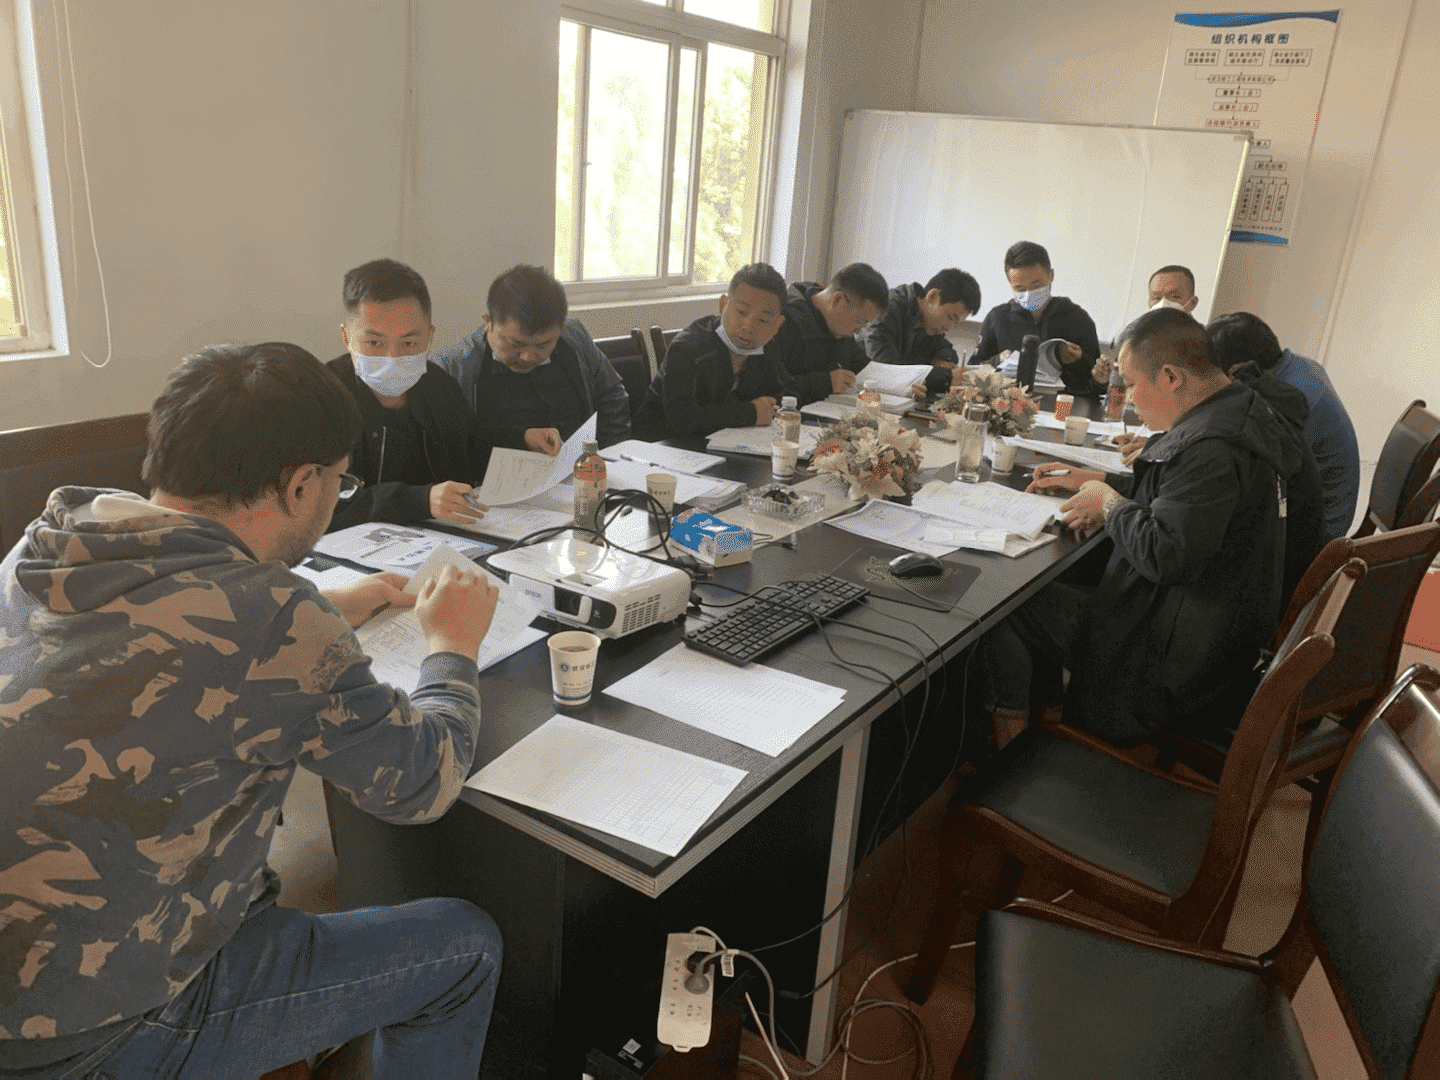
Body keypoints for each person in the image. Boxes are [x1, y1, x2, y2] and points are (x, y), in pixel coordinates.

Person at [0, 343, 503, 1079]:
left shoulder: (48, 543)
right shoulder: (272, 618)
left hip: (22, 970)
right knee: (466, 947)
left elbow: (162, 617)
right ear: (301, 485)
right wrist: (453, 644)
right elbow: (424, 782)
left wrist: (328, 605)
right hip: (85, 1032)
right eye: (338, 482)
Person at [979, 308, 1290, 748]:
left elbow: (1167, 554)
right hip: (1215, 633)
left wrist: (1110, 506)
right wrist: (1100, 482)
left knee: (1004, 603)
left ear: (1171, 377)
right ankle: (1050, 723)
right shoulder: (1239, 410)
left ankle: (1015, 756)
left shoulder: (1213, 449)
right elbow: (1181, 500)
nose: (1128, 398)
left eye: (1130, 384)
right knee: (1047, 587)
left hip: (1171, 659)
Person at [327, 258, 491, 532]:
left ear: (430, 336)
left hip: (447, 542)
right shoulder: (320, 400)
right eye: (374, 342)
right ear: (346, 337)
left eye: (409, 342)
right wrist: (419, 501)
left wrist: (521, 438)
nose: (392, 356)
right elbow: (316, 505)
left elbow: (474, 454)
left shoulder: (440, 388)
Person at [433, 264, 630, 454]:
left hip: (580, 470)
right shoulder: (450, 369)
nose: (528, 357)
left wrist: (611, 457)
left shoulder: (574, 338)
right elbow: (446, 443)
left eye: (543, 345)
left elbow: (611, 396)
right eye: (516, 343)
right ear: (488, 322)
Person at [1208, 312, 1361, 541]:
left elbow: (1251, 473)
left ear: (1239, 369)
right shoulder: (1297, 365)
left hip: (1319, 532)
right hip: (1319, 507)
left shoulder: (1291, 401)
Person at [634, 263, 794, 439]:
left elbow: (788, 393)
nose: (748, 327)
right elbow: (680, 419)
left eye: (762, 320)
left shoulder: (766, 347)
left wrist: (768, 407)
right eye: (741, 312)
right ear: (723, 305)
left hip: (727, 443)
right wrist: (750, 412)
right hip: (661, 445)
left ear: (777, 325)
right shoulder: (687, 347)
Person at [973, 240, 1102, 396]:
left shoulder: (1077, 318)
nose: (1029, 294)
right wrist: (999, 359)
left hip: (1060, 404)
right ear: (1010, 283)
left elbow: (1097, 385)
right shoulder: (998, 318)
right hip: (1008, 404)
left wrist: (1078, 360)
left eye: (1036, 285)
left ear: (1051, 275)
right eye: (1020, 288)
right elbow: (973, 370)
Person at [764, 262, 888, 404]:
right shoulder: (782, 321)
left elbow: (864, 369)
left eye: (865, 325)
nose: (858, 330)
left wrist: (900, 383)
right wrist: (825, 383)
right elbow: (766, 387)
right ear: (838, 299)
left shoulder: (841, 328)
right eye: (859, 321)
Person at [857, 268, 982, 397]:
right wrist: (947, 376)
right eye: (950, 317)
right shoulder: (887, 309)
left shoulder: (927, 323)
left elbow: (945, 348)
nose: (949, 328)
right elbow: (887, 370)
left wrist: (941, 361)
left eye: (956, 323)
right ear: (932, 296)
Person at [1093, 265, 1200, 385]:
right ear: (1149, 302)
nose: (1164, 303)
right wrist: (1102, 380)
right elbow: (1118, 387)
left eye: (1175, 296)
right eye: (1157, 298)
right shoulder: (1132, 334)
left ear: (1192, 303)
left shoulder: (1204, 344)